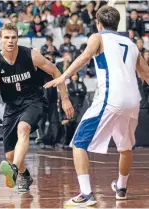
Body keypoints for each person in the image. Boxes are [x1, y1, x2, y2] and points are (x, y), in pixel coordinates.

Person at [44, 6, 149, 207]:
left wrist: (63, 76)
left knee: (78, 143)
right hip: (133, 100)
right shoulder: (130, 43)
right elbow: (146, 74)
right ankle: (121, 187)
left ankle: (86, 194)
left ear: (98, 23)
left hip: (111, 97)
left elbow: (85, 57)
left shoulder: (97, 37)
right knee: (125, 147)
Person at [0, 23, 74, 193]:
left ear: (17, 38)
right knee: (10, 155)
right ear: (0, 40)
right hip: (12, 106)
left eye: (13, 37)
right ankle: (24, 175)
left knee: (23, 128)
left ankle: (14, 170)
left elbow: (55, 71)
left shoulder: (31, 55)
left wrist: (65, 99)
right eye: (6, 38)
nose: (10, 41)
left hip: (34, 100)